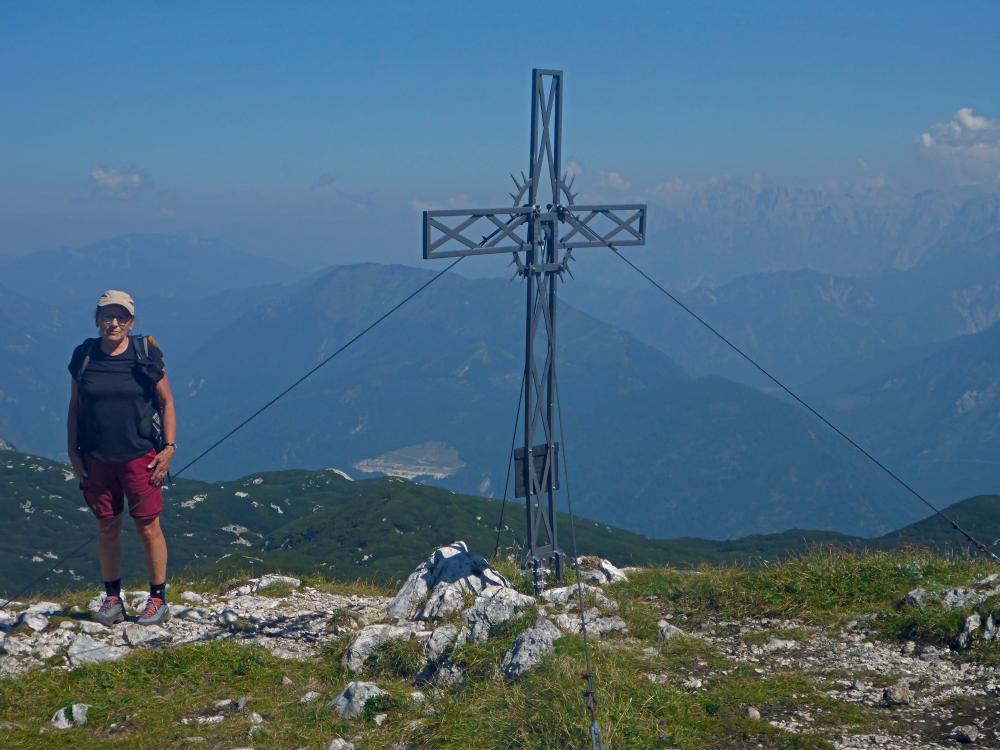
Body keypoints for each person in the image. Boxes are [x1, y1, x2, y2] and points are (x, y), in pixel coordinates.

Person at [67, 290, 177, 626]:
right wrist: (74, 453)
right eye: (107, 316)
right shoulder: (85, 356)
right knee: (107, 527)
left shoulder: (145, 355)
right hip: (97, 458)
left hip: (140, 456)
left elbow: (167, 402)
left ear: (131, 322)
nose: (113, 323)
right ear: (97, 319)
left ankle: (157, 599)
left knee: (148, 526)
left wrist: (168, 449)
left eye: (120, 317)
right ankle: (112, 599)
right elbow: (75, 408)